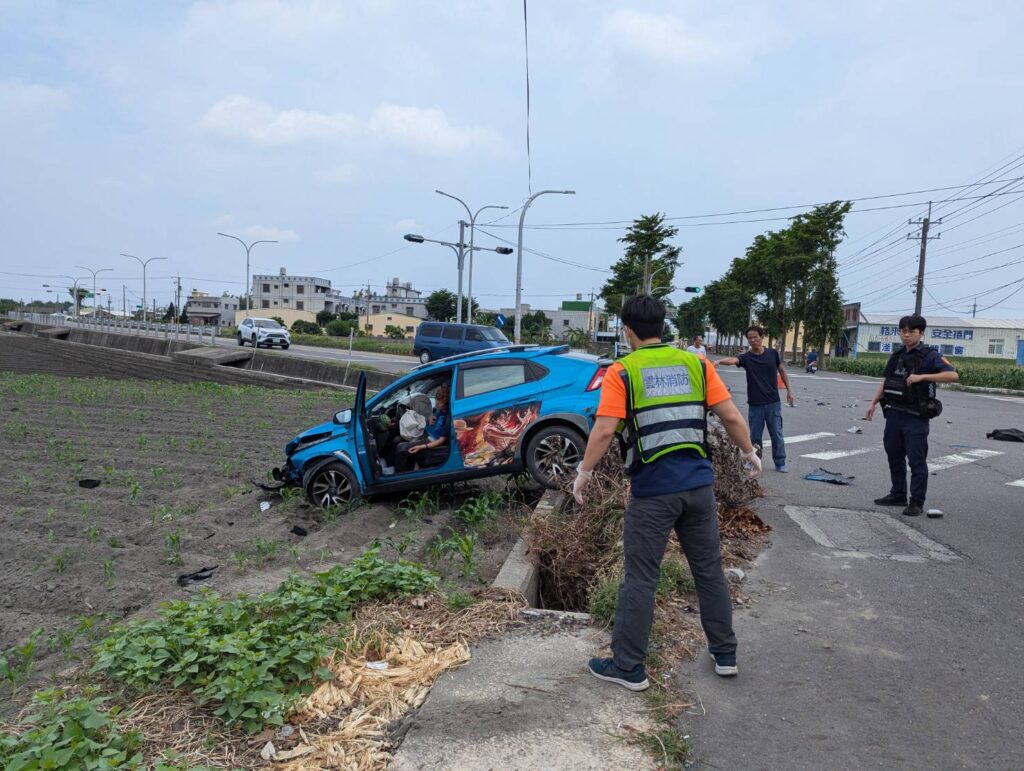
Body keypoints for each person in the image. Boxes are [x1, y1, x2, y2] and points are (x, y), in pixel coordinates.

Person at [572, 295, 762, 691]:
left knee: (641, 577)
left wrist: (583, 472)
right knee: (709, 570)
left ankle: (628, 667)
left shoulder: (622, 372)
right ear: (664, 327)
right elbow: (729, 415)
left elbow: (605, 430)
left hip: (654, 492)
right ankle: (724, 653)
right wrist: (749, 453)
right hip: (698, 488)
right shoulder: (696, 363)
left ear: (627, 331)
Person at [865, 315, 958, 517]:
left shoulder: (930, 355)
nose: (906, 335)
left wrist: (923, 376)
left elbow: (953, 375)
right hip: (894, 413)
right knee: (894, 455)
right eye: (903, 331)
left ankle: (916, 501)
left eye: (911, 332)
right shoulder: (897, 355)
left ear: (921, 333)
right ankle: (898, 494)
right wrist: (872, 403)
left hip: (916, 416)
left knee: (916, 460)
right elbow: (886, 380)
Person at [715, 326, 795, 472]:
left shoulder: (772, 354)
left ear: (761, 337)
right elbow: (733, 360)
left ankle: (780, 463)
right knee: (755, 437)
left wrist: (789, 391)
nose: (752, 340)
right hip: (755, 404)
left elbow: (782, 370)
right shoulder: (747, 357)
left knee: (777, 434)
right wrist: (719, 361)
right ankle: (754, 462)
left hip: (773, 402)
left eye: (755, 337)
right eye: (749, 338)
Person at [394, 385, 451, 473]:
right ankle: (404, 468)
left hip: (430, 441)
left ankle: (399, 477)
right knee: (396, 439)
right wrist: (430, 419)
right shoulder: (438, 410)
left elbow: (440, 441)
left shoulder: (448, 417)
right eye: (439, 402)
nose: (441, 405)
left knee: (401, 448)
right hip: (425, 434)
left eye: (444, 403)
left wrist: (421, 447)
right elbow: (433, 421)